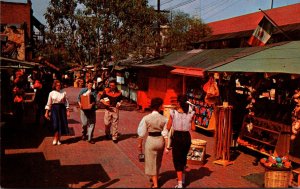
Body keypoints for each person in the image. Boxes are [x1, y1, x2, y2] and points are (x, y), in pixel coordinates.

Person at [137, 97, 168, 188]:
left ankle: (155, 184)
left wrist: (139, 144)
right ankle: (156, 177)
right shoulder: (164, 118)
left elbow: (141, 133)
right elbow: (165, 132)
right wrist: (167, 145)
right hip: (160, 141)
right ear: (159, 107)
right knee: (158, 161)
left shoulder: (146, 118)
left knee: (151, 162)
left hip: (150, 140)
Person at [166, 95, 195, 188]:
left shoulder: (173, 112)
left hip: (177, 137)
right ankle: (183, 178)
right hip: (187, 137)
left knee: (177, 159)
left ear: (179, 103)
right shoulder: (191, 113)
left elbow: (168, 127)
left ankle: (179, 183)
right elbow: (193, 128)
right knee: (183, 157)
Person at [45, 80, 70, 145]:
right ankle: (55, 138)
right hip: (54, 109)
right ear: (54, 86)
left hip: (61, 109)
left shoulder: (63, 92)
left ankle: (59, 139)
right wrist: (47, 112)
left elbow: (66, 102)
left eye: (59, 85)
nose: (58, 86)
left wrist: (67, 110)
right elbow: (49, 103)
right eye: (57, 85)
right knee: (55, 123)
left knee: (61, 124)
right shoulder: (51, 93)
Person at [77, 79, 98, 144]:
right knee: (84, 123)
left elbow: (95, 100)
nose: (90, 85)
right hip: (83, 109)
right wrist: (80, 104)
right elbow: (78, 98)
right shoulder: (83, 90)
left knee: (92, 123)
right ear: (87, 84)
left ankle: (90, 138)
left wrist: (92, 104)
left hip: (91, 109)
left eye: (92, 84)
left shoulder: (94, 91)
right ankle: (84, 134)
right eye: (89, 84)